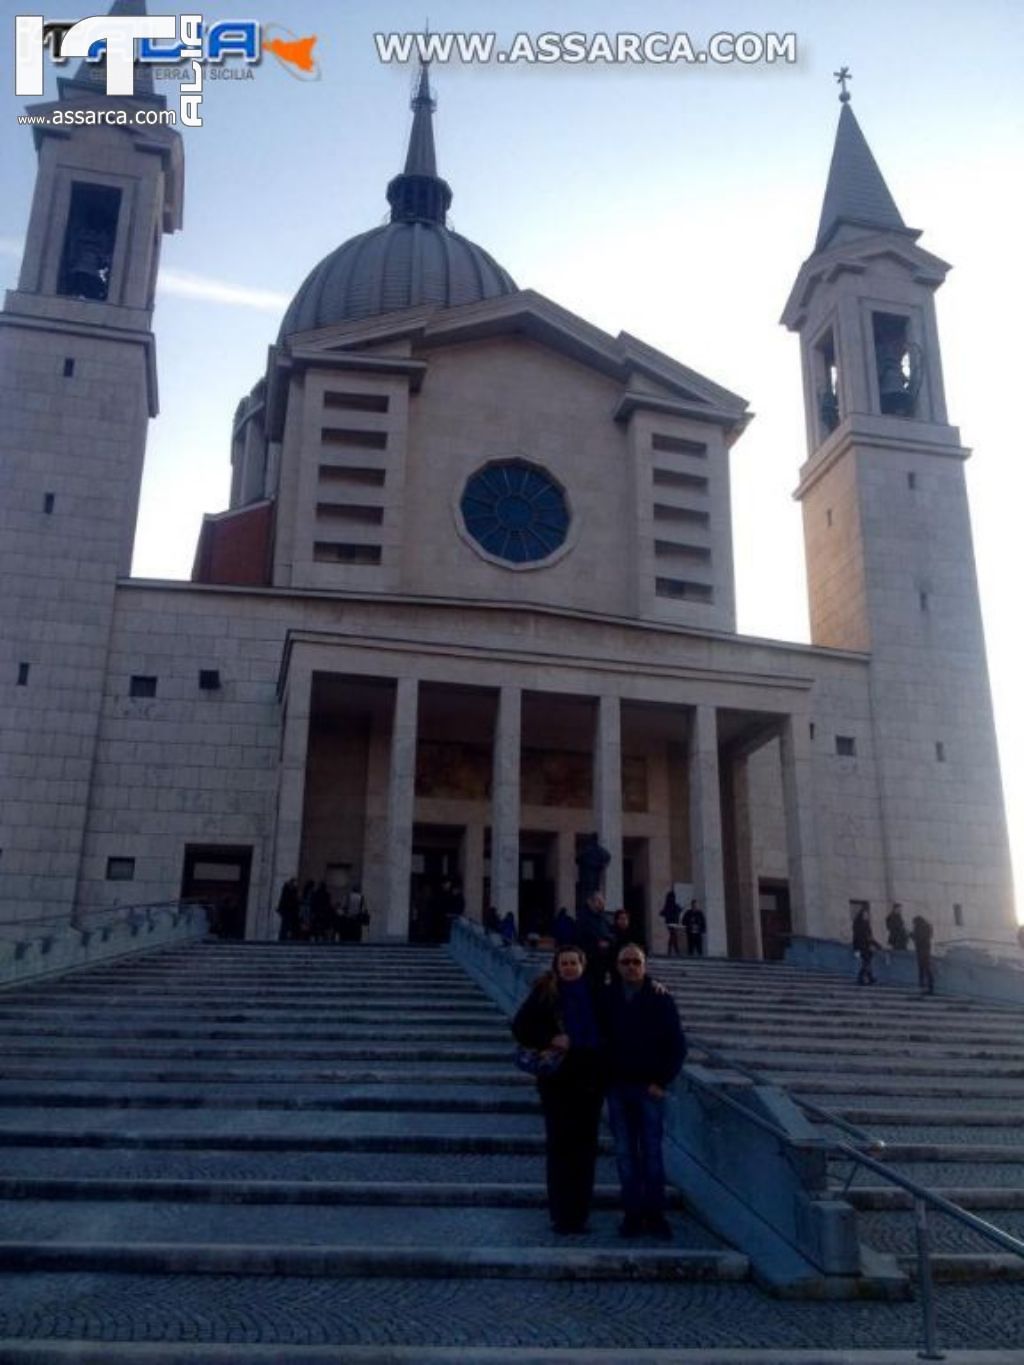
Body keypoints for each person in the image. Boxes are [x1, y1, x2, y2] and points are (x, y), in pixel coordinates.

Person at [512, 945, 606, 1234]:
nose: (568, 967)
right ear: (556, 966)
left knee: (585, 1149)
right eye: (563, 963)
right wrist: (552, 1037)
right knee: (560, 1147)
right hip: (557, 1082)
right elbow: (520, 1027)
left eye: (573, 963)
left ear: (582, 965)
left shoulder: (595, 994)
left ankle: (580, 1214)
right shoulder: (545, 993)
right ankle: (561, 1214)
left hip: (589, 1080)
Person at [606, 943, 686, 1238]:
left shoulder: (661, 998)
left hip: (649, 1088)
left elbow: (677, 1045)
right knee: (625, 1155)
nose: (630, 966)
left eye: (636, 962)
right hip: (617, 1087)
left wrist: (661, 1081)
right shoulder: (607, 997)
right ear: (616, 966)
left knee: (652, 1153)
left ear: (645, 965)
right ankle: (631, 1214)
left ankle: (655, 1215)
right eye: (625, 961)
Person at [577, 892, 615, 985]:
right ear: (590, 902)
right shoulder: (583, 918)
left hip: (602, 960)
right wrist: (597, 943)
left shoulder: (604, 919)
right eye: (598, 901)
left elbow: (611, 933)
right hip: (589, 960)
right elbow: (582, 937)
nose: (602, 904)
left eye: (602, 901)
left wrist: (608, 941)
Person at [852, 905, 881, 986]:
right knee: (866, 963)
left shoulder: (867, 925)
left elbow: (870, 937)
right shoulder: (858, 925)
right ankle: (863, 977)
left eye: (867, 915)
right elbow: (856, 937)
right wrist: (856, 949)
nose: (866, 916)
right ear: (862, 915)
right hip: (862, 947)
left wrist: (876, 944)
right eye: (865, 915)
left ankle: (869, 977)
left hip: (867, 947)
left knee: (867, 963)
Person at [911, 914, 935, 995]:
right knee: (927, 968)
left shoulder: (919, 928)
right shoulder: (927, 926)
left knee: (922, 968)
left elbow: (918, 938)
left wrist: (911, 935)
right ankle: (929, 986)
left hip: (921, 950)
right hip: (926, 950)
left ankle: (923, 985)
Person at [275, 877, 299, 942]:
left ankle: (285, 937)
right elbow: (285, 900)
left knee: (286, 925)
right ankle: (283, 937)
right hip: (287, 911)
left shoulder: (290, 890)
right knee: (285, 925)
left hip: (288, 911)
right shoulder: (288, 890)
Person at [659, 889, 682, 957]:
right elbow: (662, 913)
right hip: (671, 923)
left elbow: (662, 913)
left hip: (672, 922)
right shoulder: (671, 905)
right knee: (673, 935)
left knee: (673, 936)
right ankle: (675, 950)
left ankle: (673, 950)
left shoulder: (670, 905)